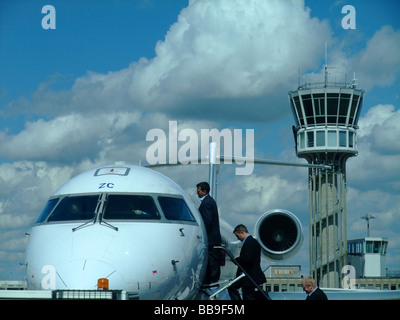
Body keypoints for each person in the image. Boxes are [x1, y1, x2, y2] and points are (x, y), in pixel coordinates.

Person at [228, 224, 267, 300]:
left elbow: (247, 259)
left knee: (236, 289)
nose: (238, 239)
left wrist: (236, 260)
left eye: (238, 236)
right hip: (248, 276)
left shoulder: (250, 242)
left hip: (249, 276)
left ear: (242, 232)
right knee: (247, 295)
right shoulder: (251, 241)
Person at [196, 182, 222, 285]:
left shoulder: (207, 202)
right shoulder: (209, 201)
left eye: (198, 190)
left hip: (211, 239)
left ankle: (211, 282)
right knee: (212, 262)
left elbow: (207, 220)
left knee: (212, 262)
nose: (196, 192)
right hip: (212, 238)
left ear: (204, 191)